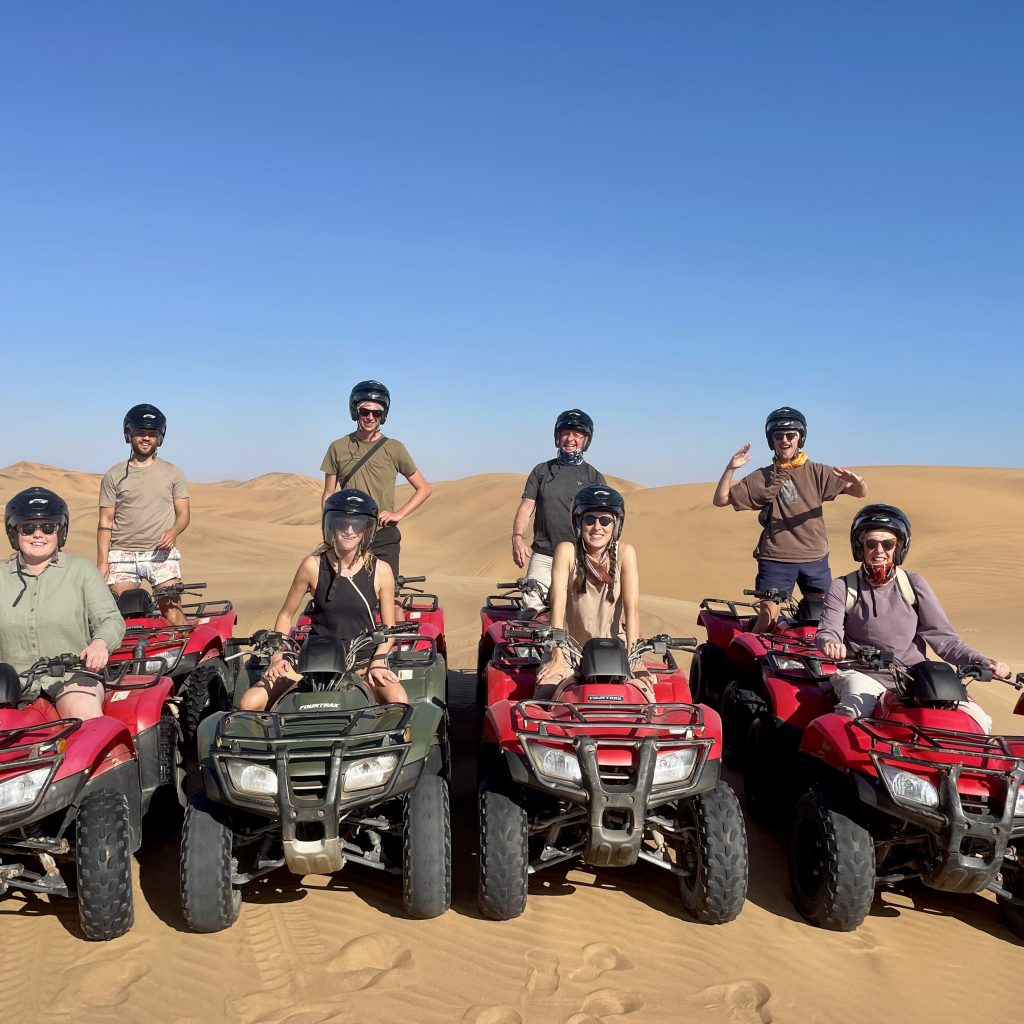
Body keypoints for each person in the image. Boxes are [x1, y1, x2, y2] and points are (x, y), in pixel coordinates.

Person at [816, 504, 1007, 731]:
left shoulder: (914, 585)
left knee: (978, 721)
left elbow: (945, 640)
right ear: (861, 547)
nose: (879, 551)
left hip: (914, 675)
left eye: (888, 544)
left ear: (898, 548)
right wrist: (831, 643)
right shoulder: (843, 586)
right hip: (863, 673)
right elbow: (829, 629)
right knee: (853, 717)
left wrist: (982, 661)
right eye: (871, 543)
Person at [240, 489, 408, 711]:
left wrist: (379, 660)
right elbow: (285, 615)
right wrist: (277, 657)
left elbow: (388, 629)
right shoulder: (312, 565)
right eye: (342, 524)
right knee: (249, 702)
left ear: (366, 529)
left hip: (362, 661)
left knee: (399, 701)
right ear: (331, 526)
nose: (349, 531)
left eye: (356, 524)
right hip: (314, 660)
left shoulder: (381, 571)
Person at [712, 406, 868, 632]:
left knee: (823, 621)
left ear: (800, 438)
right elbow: (721, 499)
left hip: (814, 558)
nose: (784, 440)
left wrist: (860, 481)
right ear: (771, 440)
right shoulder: (763, 477)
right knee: (767, 619)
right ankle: (754, 664)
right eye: (778, 436)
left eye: (790, 435)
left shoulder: (818, 472)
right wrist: (730, 469)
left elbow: (860, 492)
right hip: (776, 559)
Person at [1, 488, 125, 721]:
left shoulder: (81, 571)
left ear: (61, 531)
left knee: (83, 716)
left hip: (71, 677)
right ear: (14, 532)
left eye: (48, 527)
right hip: (8, 683)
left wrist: (100, 643)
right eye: (28, 528)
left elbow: (110, 619)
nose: (38, 534)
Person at [535, 485, 648, 694]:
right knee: (546, 693)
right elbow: (557, 605)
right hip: (570, 649)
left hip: (613, 652)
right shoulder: (566, 551)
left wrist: (635, 659)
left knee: (645, 696)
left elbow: (632, 610)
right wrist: (557, 656)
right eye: (590, 519)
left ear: (616, 525)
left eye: (605, 520)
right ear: (579, 523)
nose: (597, 527)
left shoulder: (625, 553)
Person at [320, 380, 431, 578]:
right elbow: (329, 492)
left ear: (383, 415)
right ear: (355, 412)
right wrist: (329, 526)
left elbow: (424, 488)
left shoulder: (395, 448)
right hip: (348, 533)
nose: (370, 417)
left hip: (382, 535)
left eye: (377, 412)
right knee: (341, 594)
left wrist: (399, 514)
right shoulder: (337, 447)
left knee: (391, 596)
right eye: (365, 411)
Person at [98, 404, 190, 626]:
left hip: (160, 553)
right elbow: (105, 522)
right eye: (140, 433)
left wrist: (174, 531)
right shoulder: (113, 475)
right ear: (129, 434)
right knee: (124, 617)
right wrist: (102, 562)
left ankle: (191, 659)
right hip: (122, 555)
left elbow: (184, 514)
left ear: (160, 437)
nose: (146, 438)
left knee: (172, 613)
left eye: (152, 434)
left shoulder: (173, 472)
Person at [511, 409, 607, 613]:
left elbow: (604, 521)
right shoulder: (541, 471)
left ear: (586, 440)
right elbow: (527, 506)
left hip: (580, 557)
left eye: (578, 435)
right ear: (558, 436)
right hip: (543, 556)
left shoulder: (594, 477)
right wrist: (517, 537)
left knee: (580, 615)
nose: (571, 439)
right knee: (532, 612)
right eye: (566, 433)